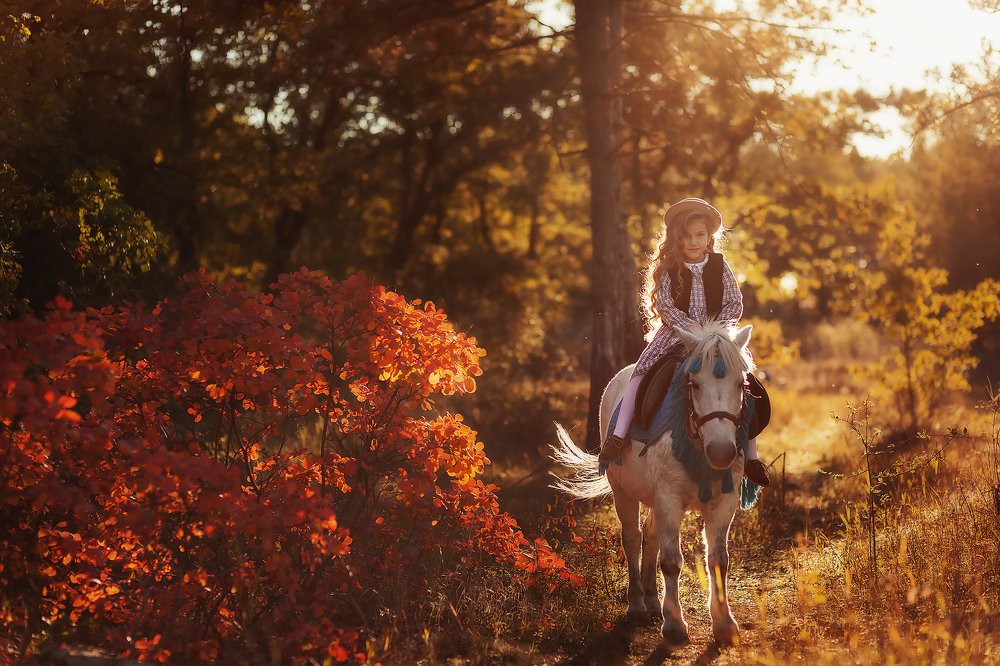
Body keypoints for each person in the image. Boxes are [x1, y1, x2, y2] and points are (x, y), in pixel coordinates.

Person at [597, 197, 771, 487]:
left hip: (717, 336)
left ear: (709, 237)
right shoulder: (669, 269)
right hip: (677, 336)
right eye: (687, 236)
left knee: (743, 381)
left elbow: (734, 302)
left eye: (700, 235)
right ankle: (618, 435)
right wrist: (690, 329)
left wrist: (718, 329)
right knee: (640, 373)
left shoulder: (720, 266)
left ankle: (751, 455)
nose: (693, 242)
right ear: (677, 238)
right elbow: (665, 306)